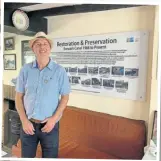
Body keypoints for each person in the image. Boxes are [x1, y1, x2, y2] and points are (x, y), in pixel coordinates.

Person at [15, 32, 70, 158]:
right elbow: (18, 97)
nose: (42, 47)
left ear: (50, 48)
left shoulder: (59, 71)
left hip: (49, 126)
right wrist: (24, 121)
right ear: (33, 48)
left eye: (45, 44)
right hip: (28, 125)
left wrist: (53, 119)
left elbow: (65, 97)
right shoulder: (25, 70)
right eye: (38, 44)